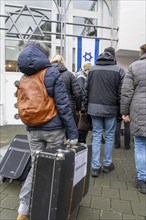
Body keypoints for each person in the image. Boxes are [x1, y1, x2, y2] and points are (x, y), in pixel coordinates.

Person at [16, 41, 78, 220]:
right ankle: (50, 206)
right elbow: (64, 106)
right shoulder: (52, 73)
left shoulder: (24, 77)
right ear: (44, 55)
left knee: (36, 167)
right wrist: (72, 134)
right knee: (53, 167)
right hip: (54, 129)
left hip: (33, 129)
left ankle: (23, 209)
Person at [85, 47, 125, 177]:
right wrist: (121, 111)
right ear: (114, 57)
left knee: (96, 136)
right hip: (110, 109)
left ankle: (95, 167)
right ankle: (107, 164)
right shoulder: (119, 70)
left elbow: (86, 90)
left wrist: (85, 107)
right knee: (109, 136)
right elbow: (121, 93)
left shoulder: (92, 69)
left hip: (94, 109)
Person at [120, 44, 146, 194]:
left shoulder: (134, 66)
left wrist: (124, 112)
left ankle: (142, 180)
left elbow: (127, 91)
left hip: (139, 110)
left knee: (141, 146)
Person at [50, 54, 82, 125]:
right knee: (70, 131)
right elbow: (77, 94)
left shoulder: (47, 75)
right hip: (68, 108)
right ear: (62, 62)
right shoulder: (69, 75)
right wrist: (78, 108)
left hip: (52, 107)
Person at [75, 62, 92, 143]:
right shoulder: (81, 77)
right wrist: (83, 107)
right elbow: (82, 92)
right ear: (87, 70)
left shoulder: (81, 75)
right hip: (81, 106)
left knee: (81, 127)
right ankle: (81, 143)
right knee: (81, 126)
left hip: (79, 105)